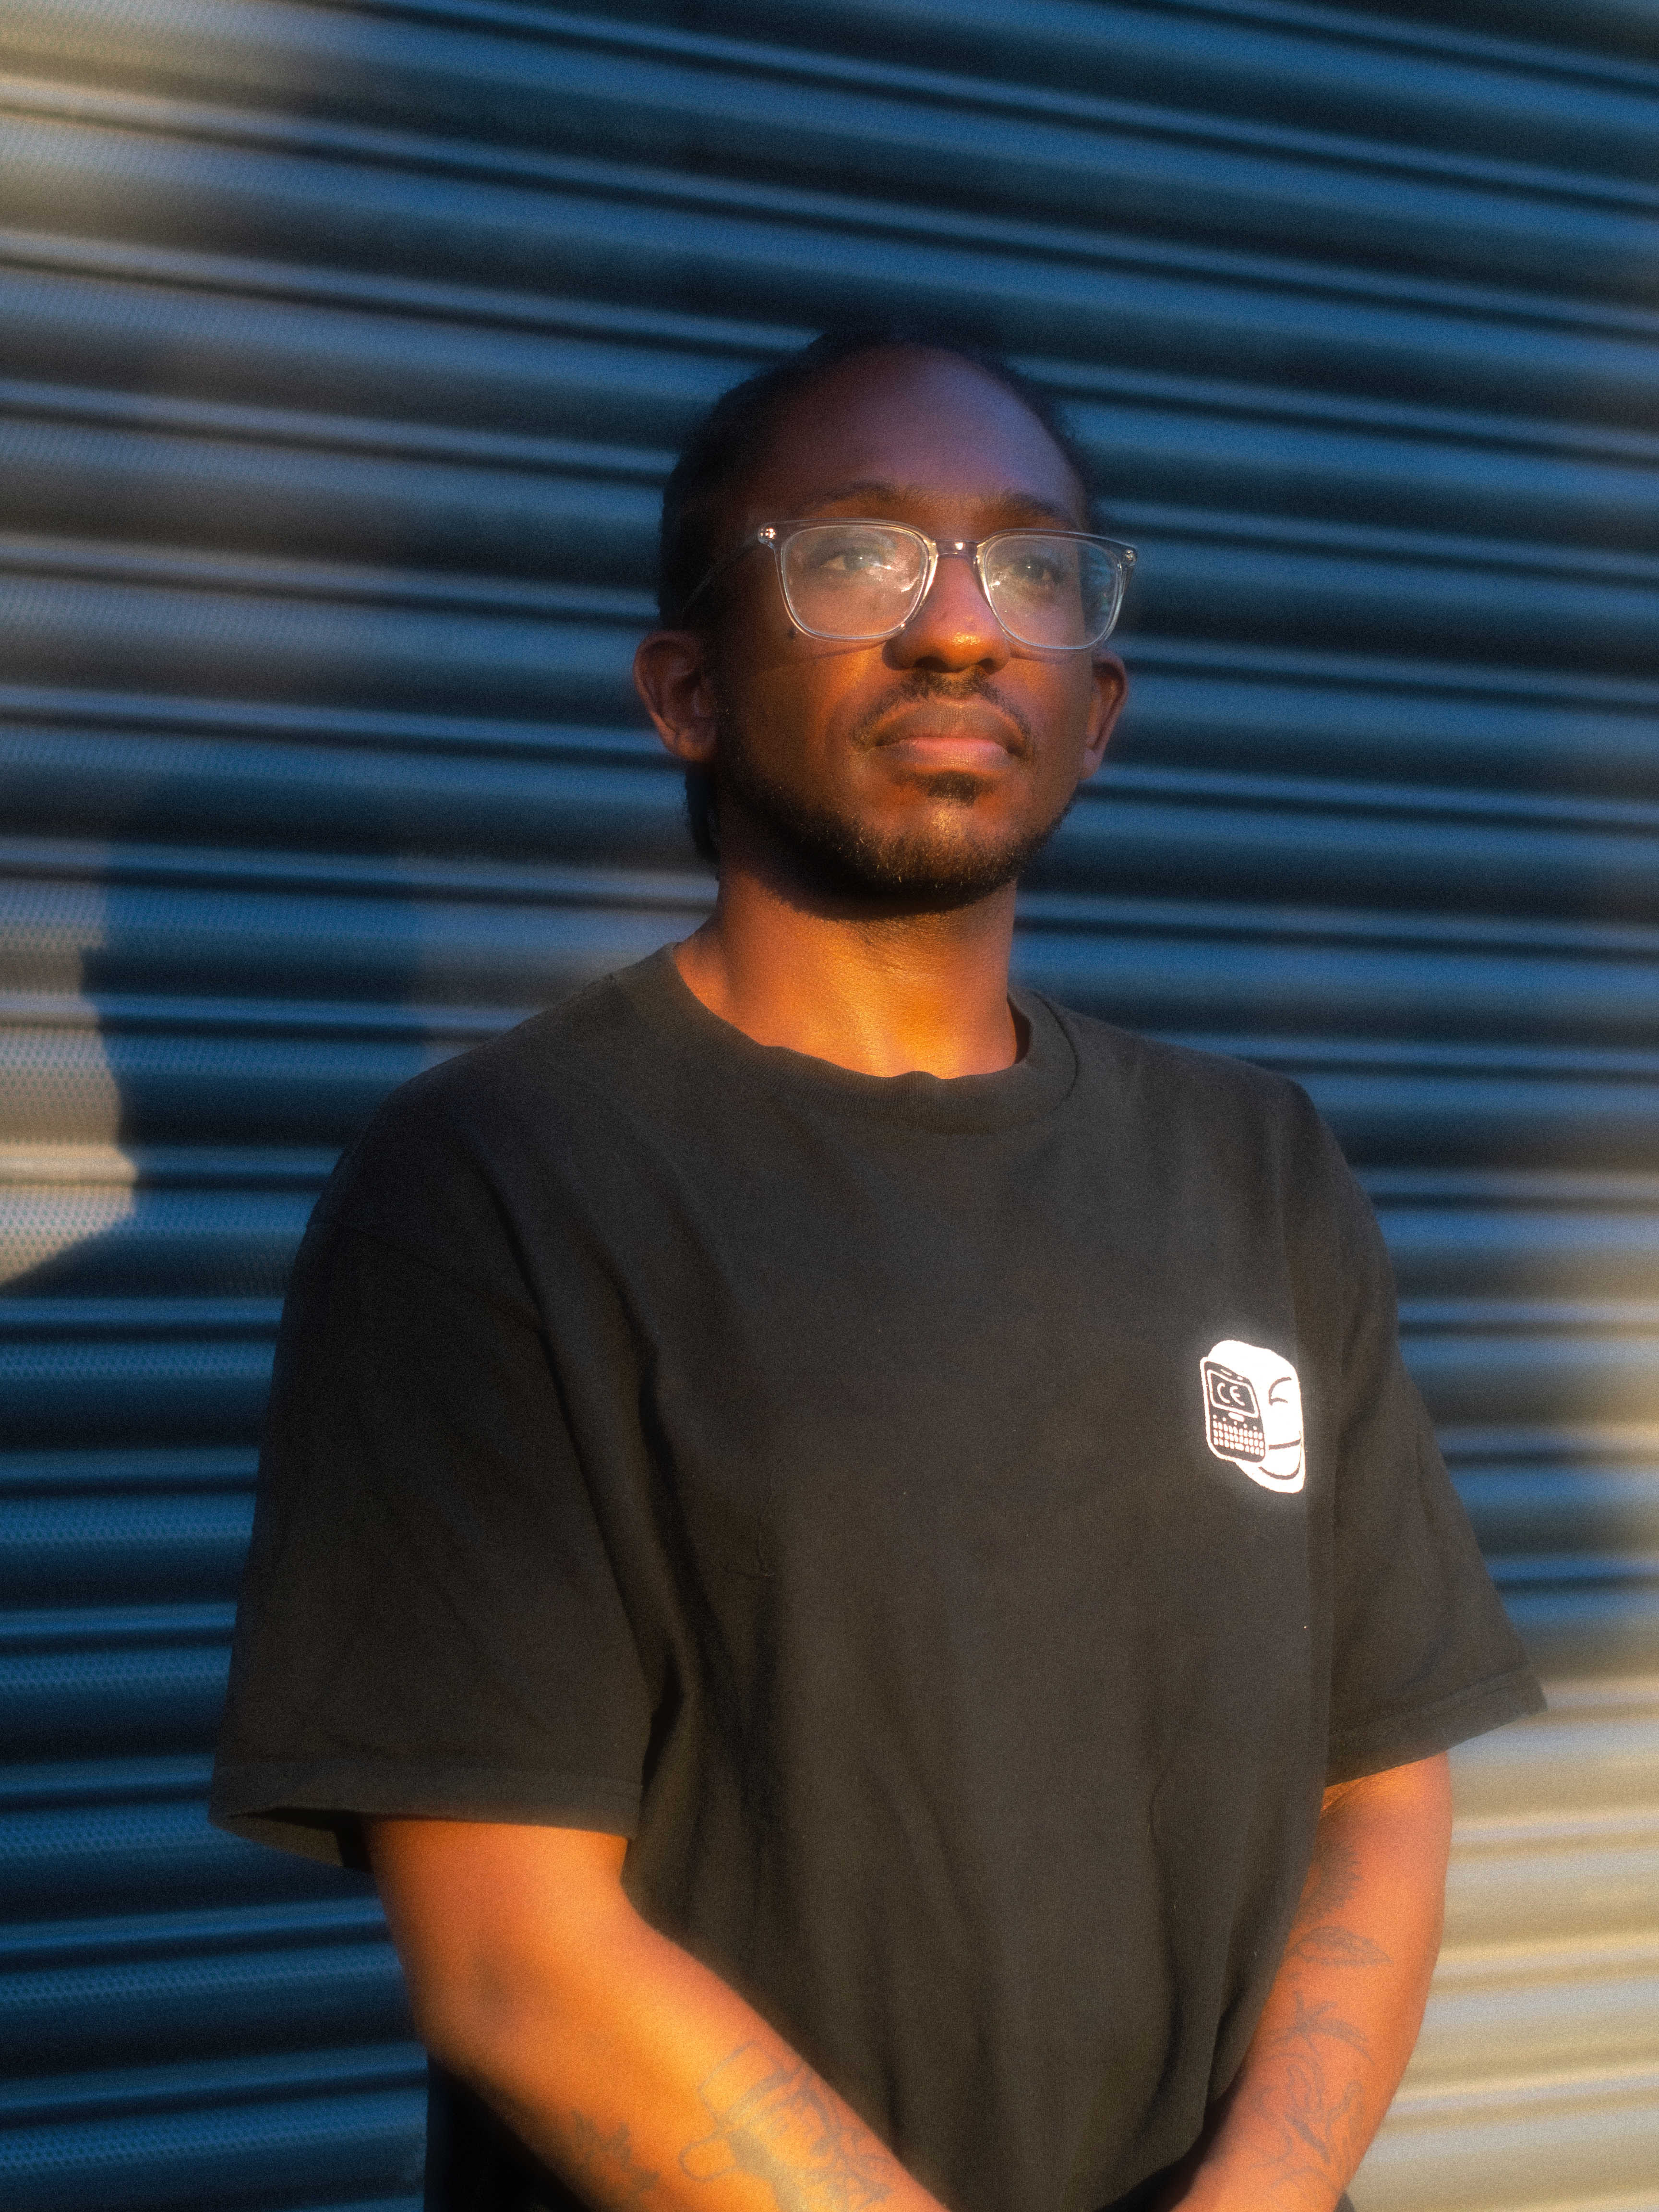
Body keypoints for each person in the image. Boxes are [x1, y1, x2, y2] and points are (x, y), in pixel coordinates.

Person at [212, 329, 1542, 2212]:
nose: (960, 629)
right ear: (686, 692)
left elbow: (1378, 1786)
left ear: (1099, 707)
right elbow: (514, 1951)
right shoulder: (502, 1183)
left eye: (1032, 570)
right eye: (854, 557)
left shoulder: (1255, 1168)